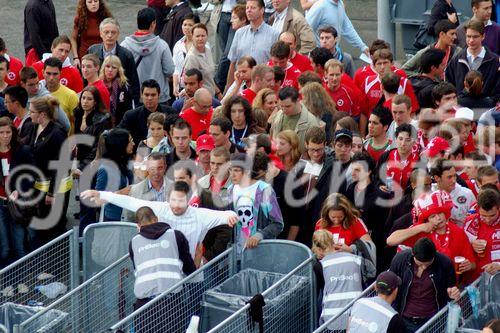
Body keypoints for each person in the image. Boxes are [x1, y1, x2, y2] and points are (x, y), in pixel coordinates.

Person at [81, 180, 239, 258]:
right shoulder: (161, 208)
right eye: (173, 200)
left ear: (189, 201)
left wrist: (231, 217)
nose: (176, 206)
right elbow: (132, 202)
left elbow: (224, 215)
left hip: (192, 274)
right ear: (167, 199)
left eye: (181, 201)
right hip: (167, 274)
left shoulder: (199, 214)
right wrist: (102, 194)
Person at [387, 190, 476, 279]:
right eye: (433, 216)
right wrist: (420, 228)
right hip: (423, 286)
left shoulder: (458, 232)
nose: (438, 218)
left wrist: (469, 266)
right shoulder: (420, 231)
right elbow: (390, 240)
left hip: (450, 286)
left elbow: (472, 264)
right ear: (427, 219)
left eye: (440, 213)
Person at [129, 206, 196, 311]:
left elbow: (137, 268)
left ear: (138, 225)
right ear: (156, 219)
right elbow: (190, 269)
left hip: (144, 304)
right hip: (172, 301)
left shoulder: (134, 242)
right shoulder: (176, 235)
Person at [389, 237, 460, 332]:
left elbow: (451, 288)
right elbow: (391, 284)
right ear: (413, 254)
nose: (424, 267)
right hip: (403, 318)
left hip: (433, 321)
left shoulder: (445, 263)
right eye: (420, 264)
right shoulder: (400, 259)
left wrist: (453, 294)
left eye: (428, 264)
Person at [26, 96, 68, 248]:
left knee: (52, 228)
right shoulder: (33, 127)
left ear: (42, 114)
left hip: (53, 188)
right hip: (37, 185)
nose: (29, 114)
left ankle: (57, 264)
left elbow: (61, 166)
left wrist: (51, 193)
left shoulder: (57, 133)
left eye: (31, 112)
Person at [346, 151, 392, 272]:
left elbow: (384, 226)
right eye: (353, 169)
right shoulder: (350, 189)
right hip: (352, 244)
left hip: (373, 247)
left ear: (368, 171)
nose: (353, 173)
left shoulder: (380, 196)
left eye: (358, 170)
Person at [229, 152, 284, 251]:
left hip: (260, 253)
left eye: (236, 170)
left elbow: (278, 224)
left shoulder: (264, 190)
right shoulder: (230, 190)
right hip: (234, 254)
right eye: (230, 170)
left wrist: (259, 235)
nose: (232, 174)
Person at [121, 8, 175, 104]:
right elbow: (169, 70)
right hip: (158, 97)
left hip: (136, 97)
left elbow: (122, 72)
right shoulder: (162, 45)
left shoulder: (125, 45)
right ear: (153, 24)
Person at [0, 117, 34, 266]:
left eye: (8, 132)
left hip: (17, 203)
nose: (5, 136)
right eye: (1, 132)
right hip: (0, 203)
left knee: (19, 243)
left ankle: (22, 279)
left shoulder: (22, 150)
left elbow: (32, 175)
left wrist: (19, 191)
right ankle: (6, 282)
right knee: (4, 246)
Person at [312, 229, 363, 326]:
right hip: (357, 313)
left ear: (318, 249)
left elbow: (321, 290)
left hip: (332, 317)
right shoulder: (354, 259)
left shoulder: (320, 265)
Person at [226, 0, 280, 87]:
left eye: (253, 8)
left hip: (263, 85)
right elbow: (233, 62)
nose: (248, 10)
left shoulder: (274, 34)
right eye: (247, 8)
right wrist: (228, 87)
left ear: (262, 10)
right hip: (240, 85)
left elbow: (276, 64)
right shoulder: (239, 33)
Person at [87, 18, 140, 104]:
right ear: (100, 33)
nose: (110, 35)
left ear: (118, 34)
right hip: (96, 100)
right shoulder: (92, 51)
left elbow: (133, 83)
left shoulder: (126, 55)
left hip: (120, 102)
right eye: (106, 32)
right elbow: (85, 77)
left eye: (113, 32)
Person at [445, 19, 500, 100]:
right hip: (461, 109)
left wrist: (489, 102)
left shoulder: (494, 60)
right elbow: (449, 85)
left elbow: (497, 89)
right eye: (468, 36)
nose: (471, 40)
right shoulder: (456, 59)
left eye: (475, 37)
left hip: (486, 110)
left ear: (483, 36)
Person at [118, 80, 175, 147]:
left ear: (159, 95)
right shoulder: (131, 116)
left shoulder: (170, 113)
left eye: (153, 95)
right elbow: (119, 134)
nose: (149, 98)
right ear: (141, 95)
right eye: (146, 95)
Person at [18, 67, 70, 134]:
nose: (36, 87)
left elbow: (66, 125)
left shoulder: (48, 99)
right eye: (31, 85)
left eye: (37, 83)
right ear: (22, 84)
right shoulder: (19, 96)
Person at [121, 153, 172, 222]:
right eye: (152, 169)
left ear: (165, 167)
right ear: (147, 168)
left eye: (160, 168)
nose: (156, 172)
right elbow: (128, 220)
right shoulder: (135, 191)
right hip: (145, 231)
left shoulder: (176, 188)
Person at [463, 188, 500, 278]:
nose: (488, 220)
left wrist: (499, 265)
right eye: (483, 215)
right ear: (478, 208)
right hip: (475, 281)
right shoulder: (470, 222)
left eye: (492, 215)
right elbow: (460, 249)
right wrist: (471, 244)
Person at [270, 86, 320, 152]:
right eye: (281, 106)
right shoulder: (278, 115)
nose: (284, 110)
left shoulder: (311, 122)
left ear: (298, 101)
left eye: (288, 106)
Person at [213, 4, 249, 93]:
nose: (231, 20)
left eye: (234, 18)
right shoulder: (237, 35)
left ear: (244, 19)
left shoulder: (245, 38)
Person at [430, 158, 475, 226]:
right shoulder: (428, 197)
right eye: (449, 177)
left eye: (454, 176)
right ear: (437, 178)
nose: (454, 180)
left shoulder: (467, 194)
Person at [40, 57, 79, 133]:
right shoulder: (37, 92)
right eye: (48, 73)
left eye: (55, 74)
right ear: (43, 73)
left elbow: (76, 123)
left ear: (60, 74)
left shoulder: (71, 95)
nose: (51, 78)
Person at [70, 0, 113, 69]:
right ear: (85, 4)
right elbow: (73, 38)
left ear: (99, 2)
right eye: (90, 2)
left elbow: (113, 38)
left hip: (102, 57)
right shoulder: (80, 18)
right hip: (84, 57)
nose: (93, 4)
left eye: (95, 1)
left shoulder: (106, 17)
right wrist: (75, 57)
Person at [183, 24, 221, 97]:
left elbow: (210, 78)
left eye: (203, 36)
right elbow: (191, 84)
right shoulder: (191, 57)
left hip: (212, 95)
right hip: (201, 98)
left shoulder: (208, 50)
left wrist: (218, 93)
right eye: (197, 36)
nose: (200, 38)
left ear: (207, 36)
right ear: (192, 37)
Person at [378, 124, 420, 190]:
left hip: (407, 199)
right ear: (396, 139)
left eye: (408, 140)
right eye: (400, 139)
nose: (403, 143)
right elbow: (377, 178)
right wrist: (380, 187)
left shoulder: (418, 162)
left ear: (414, 142)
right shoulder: (386, 156)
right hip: (386, 197)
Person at [323, 59, 363, 123]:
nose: (335, 78)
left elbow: (356, 116)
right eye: (331, 75)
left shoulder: (349, 93)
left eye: (337, 74)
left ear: (342, 74)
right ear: (325, 74)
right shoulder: (320, 92)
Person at [99, 55, 134, 126]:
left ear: (118, 70)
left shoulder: (124, 86)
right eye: (107, 66)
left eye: (114, 67)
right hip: (100, 124)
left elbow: (130, 109)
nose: (110, 70)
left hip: (120, 125)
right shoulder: (98, 84)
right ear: (103, 68)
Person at [172, 13, 200, 98]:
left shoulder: (202, 45)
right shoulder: (178, 45)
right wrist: (175, 87)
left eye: (190, 25)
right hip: (181, 88)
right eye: (184, 25)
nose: (186, 27)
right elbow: (176, 68)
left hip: (197, 89)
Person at [24, 0, 59, 65]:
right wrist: (45, 57)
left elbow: (55, 29)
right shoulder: (33, 7)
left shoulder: (49, 2)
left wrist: (57, 48)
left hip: (50, 52)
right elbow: (34, 37)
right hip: (36, 53)